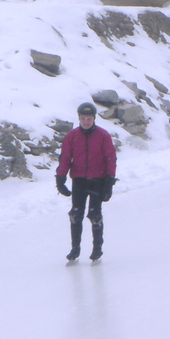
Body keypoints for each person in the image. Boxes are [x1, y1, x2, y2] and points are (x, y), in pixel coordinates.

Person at [56, 102, 117, 263]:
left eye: (89, 118)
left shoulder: (103, 135)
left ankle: (97, 248)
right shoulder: (72, 136)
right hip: (79, 180)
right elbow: (65, 157)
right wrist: (60, 178)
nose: (86, 121)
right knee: (76, 214)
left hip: (98, 180)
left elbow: (110, 158)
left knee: (95, 214)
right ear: (79, 118)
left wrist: (109, 181)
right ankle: (75, 249)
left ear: (94, 118)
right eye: (83, 118)